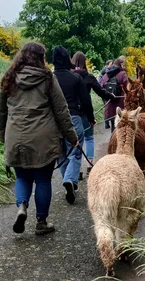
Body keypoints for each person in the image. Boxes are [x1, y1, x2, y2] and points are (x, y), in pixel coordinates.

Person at [0, 42, 78, 235]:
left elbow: (2, 112)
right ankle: (41, 221)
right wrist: (72, 136)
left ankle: (22, 207)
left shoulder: (9, 78)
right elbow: (61, 110)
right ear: (41, 58)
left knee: (23, 177)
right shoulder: (47, 78)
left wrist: (3, 136)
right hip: (43, 137)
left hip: (15, 136)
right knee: (42, 180)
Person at [52, 45, 95, 203]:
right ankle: (70, 179)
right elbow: (86, 101)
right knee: (76, 152)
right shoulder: (75, 78)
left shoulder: (49, 78)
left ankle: (67, 180)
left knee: (61, 154)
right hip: (74, 118)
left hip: (54, 121)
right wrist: (90, 118)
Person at [71, 51, 116, 179]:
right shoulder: (89, 77)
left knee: (76, 140)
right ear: (84, 62)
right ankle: (90, 164)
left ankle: (77, 169)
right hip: (85, 112)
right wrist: (110, 96)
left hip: (71, 112)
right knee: (89, 138)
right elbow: (101, 91)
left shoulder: (69, 76)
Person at [101, 56, 129, 132]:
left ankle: (113, 141)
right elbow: (128, 88)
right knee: (121, 127)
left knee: (113, 126)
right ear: (120, 65)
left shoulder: (106, 75)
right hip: (120, 105)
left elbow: (101, 88)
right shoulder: (122, 74)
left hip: (109, 104)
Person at [98, 60, 114, 129]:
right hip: (105, 90)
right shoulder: (106, 70)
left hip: (104, 90)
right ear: (107, 64)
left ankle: (107, 122)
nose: (112, 65)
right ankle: (107, 122)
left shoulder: (105, 70)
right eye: (111, 64)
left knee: (106, 106)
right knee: (107, 106)